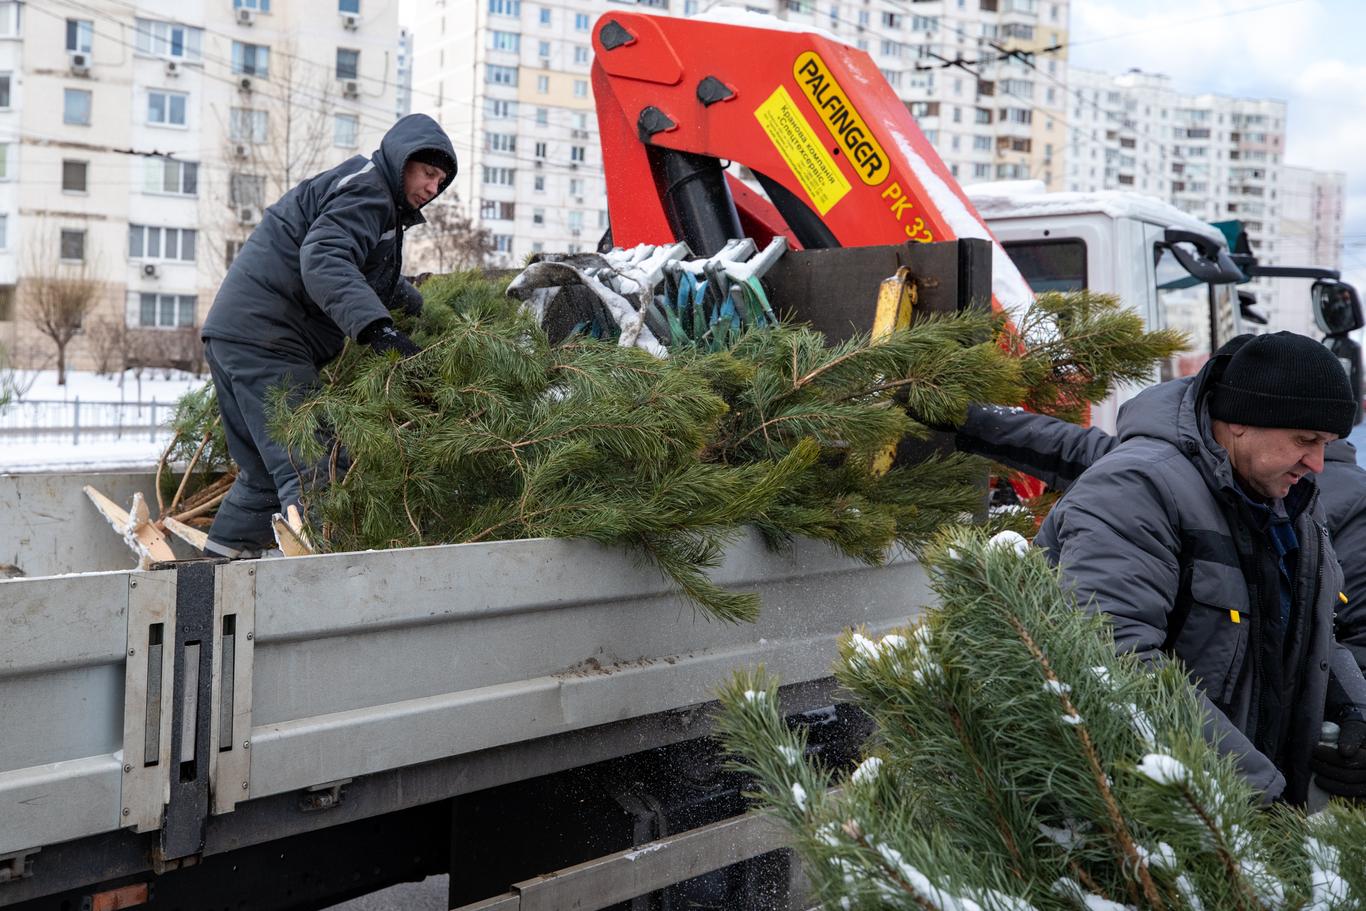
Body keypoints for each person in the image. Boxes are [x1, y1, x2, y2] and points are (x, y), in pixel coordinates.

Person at [1020, 332, 1366, 804]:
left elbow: (1313, 634)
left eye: (1326, 444)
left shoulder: (1291, 501)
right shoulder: (1135, 489)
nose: (1318, 463)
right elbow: (1113, 660)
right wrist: (1252, 794)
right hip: (1144, 815)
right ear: (1242, 421)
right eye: (1306, 440)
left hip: (1235, 807)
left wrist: (1355, 715)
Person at [199, 113, 457, 559]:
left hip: (234, 335)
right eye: (428, 173)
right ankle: (322, 593)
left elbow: (362, 268)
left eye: (441, 181)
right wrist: (378, 329)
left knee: (263, 478)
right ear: (402, 162)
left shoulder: (368, 194)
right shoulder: (370, 190)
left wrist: (417, 306)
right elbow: (324, 259)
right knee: (316, 469)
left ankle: (219, 570)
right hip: (269, 338)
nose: (433, 188)